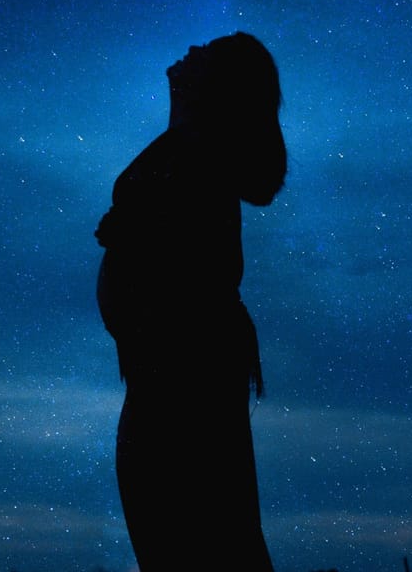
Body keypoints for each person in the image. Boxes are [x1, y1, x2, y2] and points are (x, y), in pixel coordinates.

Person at [95, 31, 286, 571]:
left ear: (218, 84)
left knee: (193, 529)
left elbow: (186, 252)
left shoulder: (202, 149)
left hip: (182, 365)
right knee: (192, 528)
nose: (192, 50)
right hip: (167, 364)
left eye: (208, 51)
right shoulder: (191, 144)